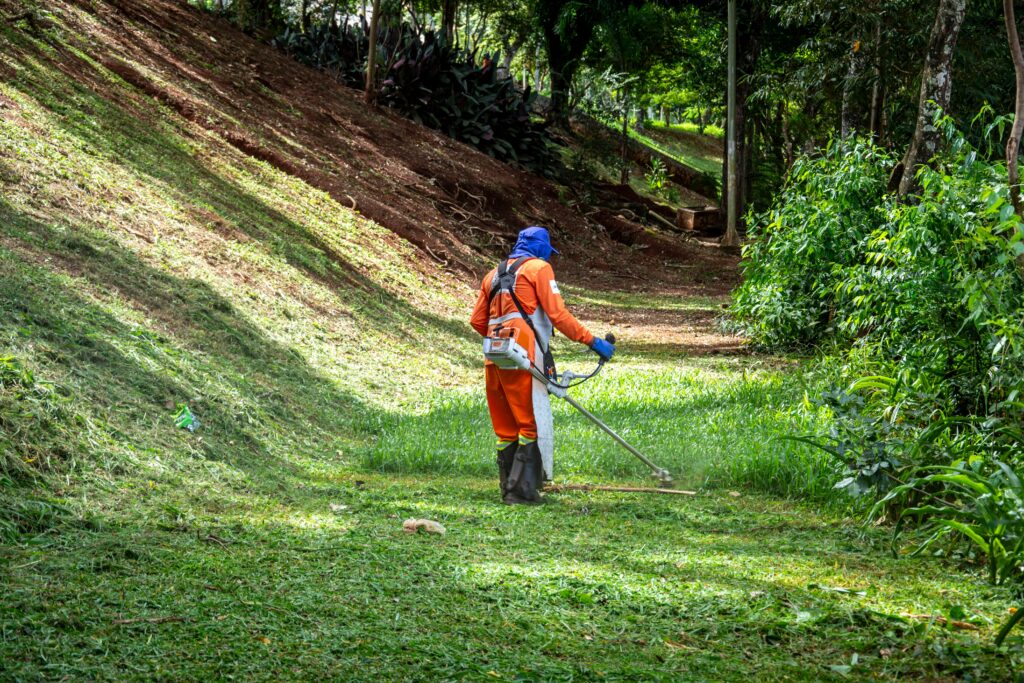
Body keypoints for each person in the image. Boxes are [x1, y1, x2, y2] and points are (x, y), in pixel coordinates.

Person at [470, 226, 615, 504]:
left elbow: (478, 321)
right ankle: (521, 492)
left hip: (493, 356)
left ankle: (510, 485)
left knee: (505, 428)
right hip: (523, 356)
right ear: (541, 249)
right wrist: (593, 341)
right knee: (529, 423)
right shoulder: (539, 269)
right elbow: (558, 315)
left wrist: (501, 340)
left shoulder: (492, 274)